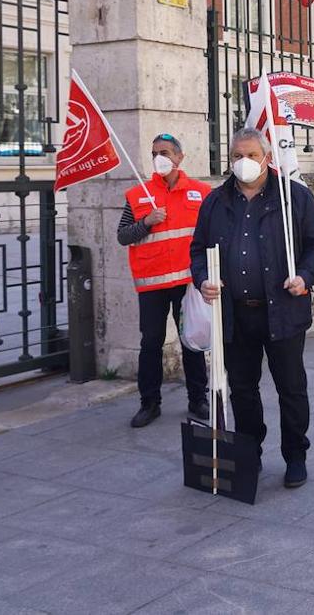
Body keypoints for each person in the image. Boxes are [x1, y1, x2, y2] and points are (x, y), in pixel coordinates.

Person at [191, 128, 314, 489]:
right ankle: (249, 452)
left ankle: (295, 455)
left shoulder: (293, 197)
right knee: (242, 388)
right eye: (237, 155)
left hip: (283, 309)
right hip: (235, 314)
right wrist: (204, 278)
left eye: (252, 155)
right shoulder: (215, 201)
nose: (244, 162)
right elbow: (198, 250)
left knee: (291, 387)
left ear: (267, 157)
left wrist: (305, 275)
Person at [117, 133, 211, 428]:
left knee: (191, 341)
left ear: (180, 157)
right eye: (156, 152)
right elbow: (123, 236)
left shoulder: (201, 192)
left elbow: (213, 234)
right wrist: (146, 222)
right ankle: (149, 403)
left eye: (167, 152)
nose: (161, 157)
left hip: (187, 283)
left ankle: (198, 400)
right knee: (151, 343)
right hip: (153, 283)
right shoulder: (138, 194)